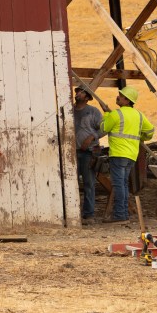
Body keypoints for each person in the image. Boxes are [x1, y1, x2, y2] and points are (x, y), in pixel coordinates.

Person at [101, 85, 154, 224]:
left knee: (119, 185)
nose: (117, 97)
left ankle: (120, 215)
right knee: (123, 184)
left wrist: (106, 113)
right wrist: (141, 136)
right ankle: (123, 214)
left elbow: (103, 128)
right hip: (131, 155)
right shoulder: (139, 115)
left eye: (121, 96)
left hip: (118, 154)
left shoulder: (115, 114)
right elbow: (150, 132)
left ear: (127, 100)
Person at [72, 86, 104, 223]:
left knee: (88, 183)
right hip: (71, 153)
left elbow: (104, 128)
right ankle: (72, 214)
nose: (78, 94)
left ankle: (88, 214)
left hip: (89, 152)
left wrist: (92, 137)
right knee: (70, 184)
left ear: (87, 97)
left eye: (81, 92)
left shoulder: (93, 112)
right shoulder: (69, 111)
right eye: (77, 91)